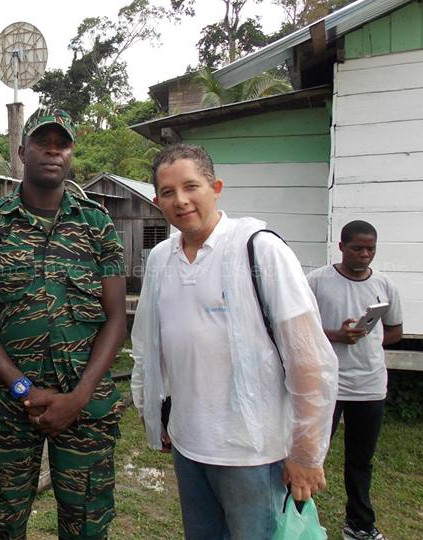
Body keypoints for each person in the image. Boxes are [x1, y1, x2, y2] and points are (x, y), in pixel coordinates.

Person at [130, 144, 338, 539]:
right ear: (157, 200)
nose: (181, 200)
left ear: (216, 187)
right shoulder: (159, 259)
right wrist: (152, 410)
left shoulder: (259, 248)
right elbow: (147, 342)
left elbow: (309, 360)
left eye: (191, 186)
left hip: (253, 452)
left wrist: (306, 454)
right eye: (168, 192)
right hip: (188, 444)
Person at [0, 108, 127, 540]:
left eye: (62, 144)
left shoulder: (97, 225)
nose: (53, 150)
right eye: (42, 142)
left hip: (84, 406)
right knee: (4, 524)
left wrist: (80, 395)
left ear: (71, 154)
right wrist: (22, 388)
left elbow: (115, 318)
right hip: (11, 405)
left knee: (86, 526)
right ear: (21, 151)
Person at [306, 220, 402, 540]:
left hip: (370, 386)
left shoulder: (385, 285)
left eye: (370, 249)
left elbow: (395, 331)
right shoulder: (317, 282)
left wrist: (368, 339)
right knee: (309, 456)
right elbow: (297, 328)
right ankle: (295, 520)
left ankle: (359, 526)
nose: (364, 255)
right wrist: (337, 335)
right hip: (326, 384)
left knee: (360, 461)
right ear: (341, 247)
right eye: (358, 248)